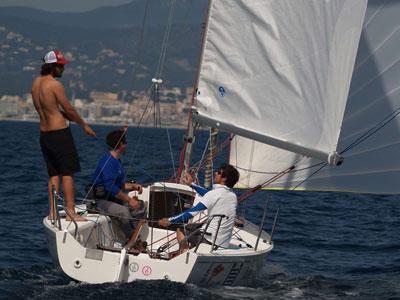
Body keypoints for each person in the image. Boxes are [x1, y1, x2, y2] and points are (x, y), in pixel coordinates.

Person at [32, 50, 96, 222]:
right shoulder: (54, 85)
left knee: (53, 175)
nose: (63, 69)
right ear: (52, 66)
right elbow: (68, 108)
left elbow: (48, 109)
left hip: (44, 134)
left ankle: (53, 212)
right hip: (60, 134)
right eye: (60, 66)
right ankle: (70, 212)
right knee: (68, 173)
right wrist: (84, 126)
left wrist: (62, 114)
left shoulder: (36, 84)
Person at [158, 164, 240, 253]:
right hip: (224, 242)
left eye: (219, 172)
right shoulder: (232, 196)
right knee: (199, 226)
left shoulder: (214, 194)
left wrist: (170, 220)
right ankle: (190, 249)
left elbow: (192, 212)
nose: (215, 173)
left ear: (224, 178)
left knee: (181, 229)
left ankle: (184, 254)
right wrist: (191, 184)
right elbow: (208, 194)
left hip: (209, 240)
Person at [91, 129, 145, 246]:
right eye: (125, 143)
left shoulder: (117, 161)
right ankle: (132, 242)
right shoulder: (109, 161)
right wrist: (129, 200)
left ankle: (130, 235)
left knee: (141, 206)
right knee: (124, 211)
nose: (126, 145)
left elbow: (119, 185)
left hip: (114, 199)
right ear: (121, 144)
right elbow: (109, 186)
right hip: (102, 201)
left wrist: (133, 186)